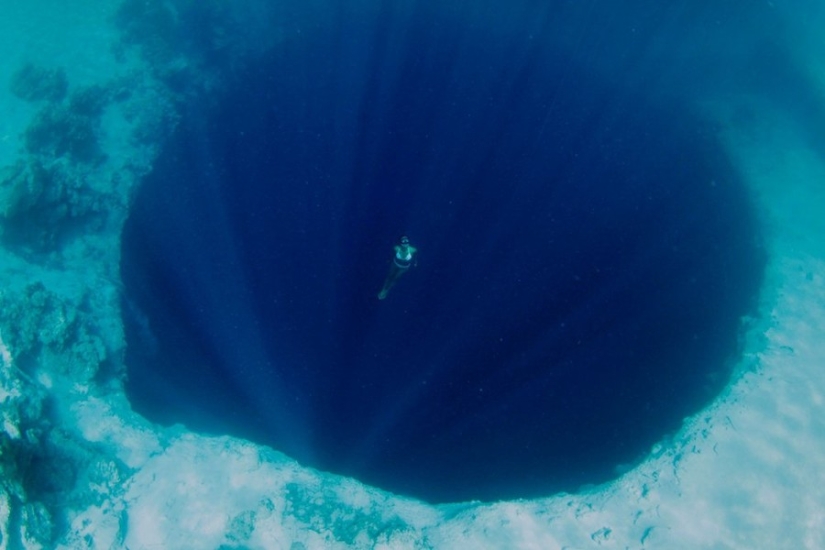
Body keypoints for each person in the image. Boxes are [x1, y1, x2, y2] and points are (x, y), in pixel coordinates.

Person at [378, 236, 418, 300]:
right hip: (395, 264)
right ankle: (383, 289)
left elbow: (416, 257)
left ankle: (386, 290)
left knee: (395, 278)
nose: (405, 243)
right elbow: (391, 255)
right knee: (389, 276)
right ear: (400, 243)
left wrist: (415, 263)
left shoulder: (412, 250)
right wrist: (388, 260)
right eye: (403, 241)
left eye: (406, 241)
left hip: (404, 267)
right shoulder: (396, 248)